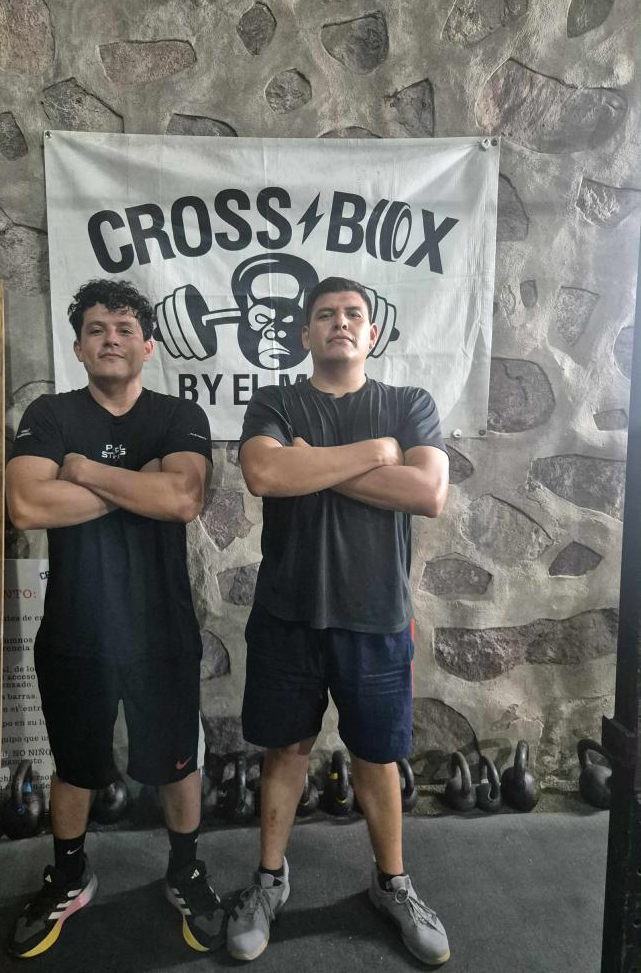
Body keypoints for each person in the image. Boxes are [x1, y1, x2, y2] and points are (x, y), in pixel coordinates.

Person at [227, 276, 451, 965]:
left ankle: (393, 883)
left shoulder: (408, 403)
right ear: (306, 334)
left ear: (372, 333)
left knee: (376, 757)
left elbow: (428, 491)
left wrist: (311, 465)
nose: (341, 323)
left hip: (376, 617)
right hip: (288, 613)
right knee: (285, 750)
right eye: (326, 315)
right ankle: (269, 880)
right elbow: (264, 475)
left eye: (354, 314)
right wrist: (376, 454)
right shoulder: (276, 400)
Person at [5, 279, 226, 958]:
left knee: (177, 762)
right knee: (75, 766)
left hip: (161, 628)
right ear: (77, 347)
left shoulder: (177, 415)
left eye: (125, 328)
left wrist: (81, 472)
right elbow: (28, 506)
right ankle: (70, 876)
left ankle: (185, 871)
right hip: (76, 628)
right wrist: (138, 483)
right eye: (97, 329)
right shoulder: (51, 413)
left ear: (148, 346)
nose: (110, 339)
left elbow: (183, 498)